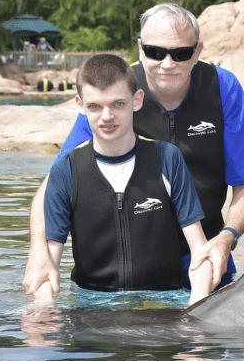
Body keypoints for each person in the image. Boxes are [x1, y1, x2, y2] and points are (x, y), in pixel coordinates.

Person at [23, 2, 244, 297]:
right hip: (129, 271)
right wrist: (38, 252)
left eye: (181, 53)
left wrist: (227, 238)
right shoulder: (117, 91)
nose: (167, 63)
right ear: (140, 47)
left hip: (204, 260)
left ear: (198, 51)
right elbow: (55, 184)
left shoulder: (223, 88)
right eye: (155, 52)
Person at [38, 53, 212, 305]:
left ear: (137, 100)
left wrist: (197, 307)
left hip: (164, 299)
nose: (106, 116)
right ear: (79, 104)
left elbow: (200, 252)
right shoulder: (66, 171)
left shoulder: (167, 159)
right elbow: (48, 264)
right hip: (92, 301)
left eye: (118, 104)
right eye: (95, 106)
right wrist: (43, 312)